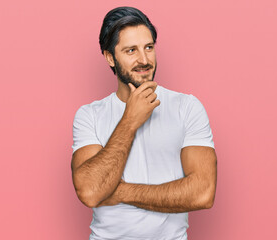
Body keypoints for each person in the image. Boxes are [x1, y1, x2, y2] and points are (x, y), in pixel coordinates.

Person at [71, 6, 217, 240]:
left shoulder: (187, 107)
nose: (144, 59)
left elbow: (202, 193)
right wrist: (129, 121)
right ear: (110, 58)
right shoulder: (89, 115)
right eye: (131, 50)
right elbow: (89, 191)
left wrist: (121, 192)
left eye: (149, 47)